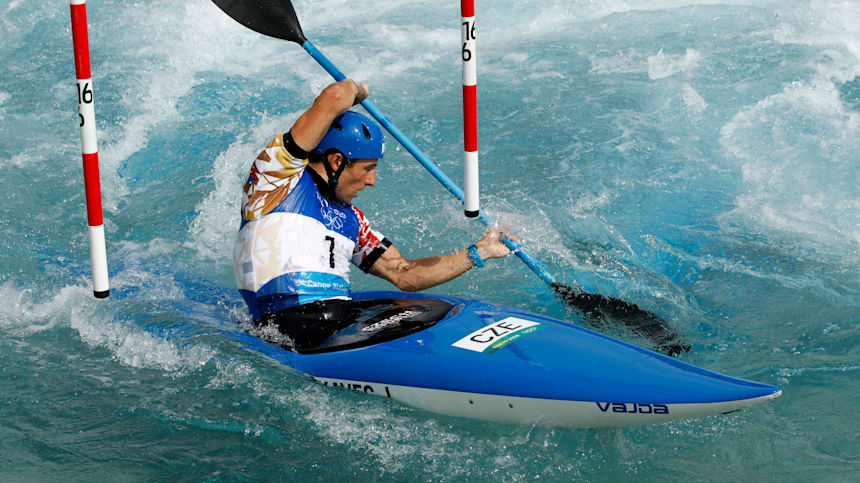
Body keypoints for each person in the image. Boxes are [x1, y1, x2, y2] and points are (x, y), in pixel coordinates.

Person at [233, 79, 515, 351]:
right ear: (336, 161)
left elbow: (405, 274)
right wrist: (357, 90)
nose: (372, 181)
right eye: (368, 168)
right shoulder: (275, 180)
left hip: (339, 329)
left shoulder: (353, 219)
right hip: (286, 331)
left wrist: (480, 251)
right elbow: (333, 98)